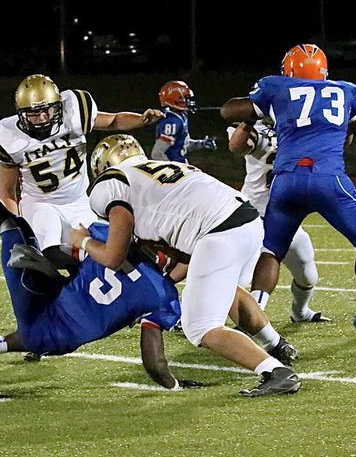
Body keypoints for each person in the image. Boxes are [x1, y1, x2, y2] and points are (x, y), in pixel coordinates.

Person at [0, 174, 298, 388]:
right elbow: (154, 362)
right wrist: (173, 385)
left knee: (12, 227)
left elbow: (71, 259)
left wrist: (57, 260)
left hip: (44, 303)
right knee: (39, 333)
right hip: (59, 338)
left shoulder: (104, 236)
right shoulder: (162, 294)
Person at [70, 134, 301, 397]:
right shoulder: (164, 170)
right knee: (226, 290)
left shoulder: (111, 183)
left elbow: (113, 256)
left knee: (201, 327)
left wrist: (85, 241)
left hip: (217, 231)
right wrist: (163, 282)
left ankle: (276, 371)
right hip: (246, 219)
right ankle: (277, 345)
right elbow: (183, 252)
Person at [220, 43, 356, 334]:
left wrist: (264, 110)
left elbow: (228, 110)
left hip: (286, 182)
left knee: (271, 251)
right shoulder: (344, 90)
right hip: (327, 179)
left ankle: (254, 316)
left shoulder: (276, 87)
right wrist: (341, 123)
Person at [0, 74, 163, 270]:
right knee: (44, 256)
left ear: (59, 105)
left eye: (48, 110)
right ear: (21, 113)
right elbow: (7, 191)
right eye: (34, 113)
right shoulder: (9, 138)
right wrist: (17, 228)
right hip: (41, 204)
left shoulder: (74, 114)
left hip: (80, 201)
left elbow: (113, 120)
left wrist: (141, 120)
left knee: (100, 257)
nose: (43, 117)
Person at [226, 119, 329, 323]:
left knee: (308, 274)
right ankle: (195, 318)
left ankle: (300, 312)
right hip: (254, 216)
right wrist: (248, 122)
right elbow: (237, 147)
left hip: (285, 214)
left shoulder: (301, 125)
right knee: (239, 278)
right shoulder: (254, 128)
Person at [150, 80, 217, 162]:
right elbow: (157, 153)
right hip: (175, 169)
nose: (188, 101)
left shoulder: (180, 116)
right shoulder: (171, 121)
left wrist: (200, 144)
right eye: (185, 98)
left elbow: (182, 144)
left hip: (181, 165)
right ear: (174, 99)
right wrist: (173, 169)